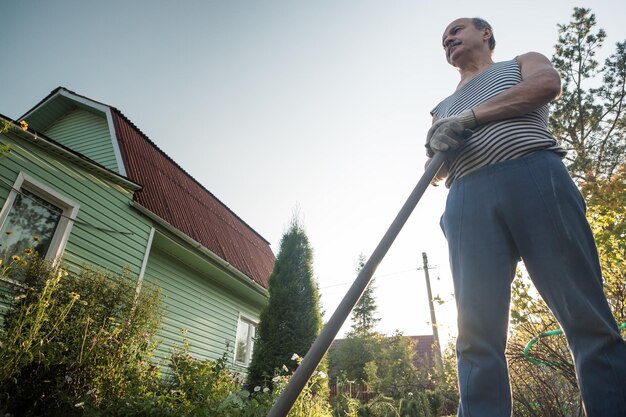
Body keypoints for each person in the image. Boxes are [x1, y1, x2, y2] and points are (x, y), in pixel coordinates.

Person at [425, 17, 626, 417]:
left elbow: (546, 86)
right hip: (467, 198)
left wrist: (471, 119)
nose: (448, 38)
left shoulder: (521, 63)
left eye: (456, 29)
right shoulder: (441, 108)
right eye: (443, 38)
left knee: (583, 311)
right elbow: (436, 170)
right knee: (475, 332)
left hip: (534, 176)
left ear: (485, 34)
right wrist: (435, 143)